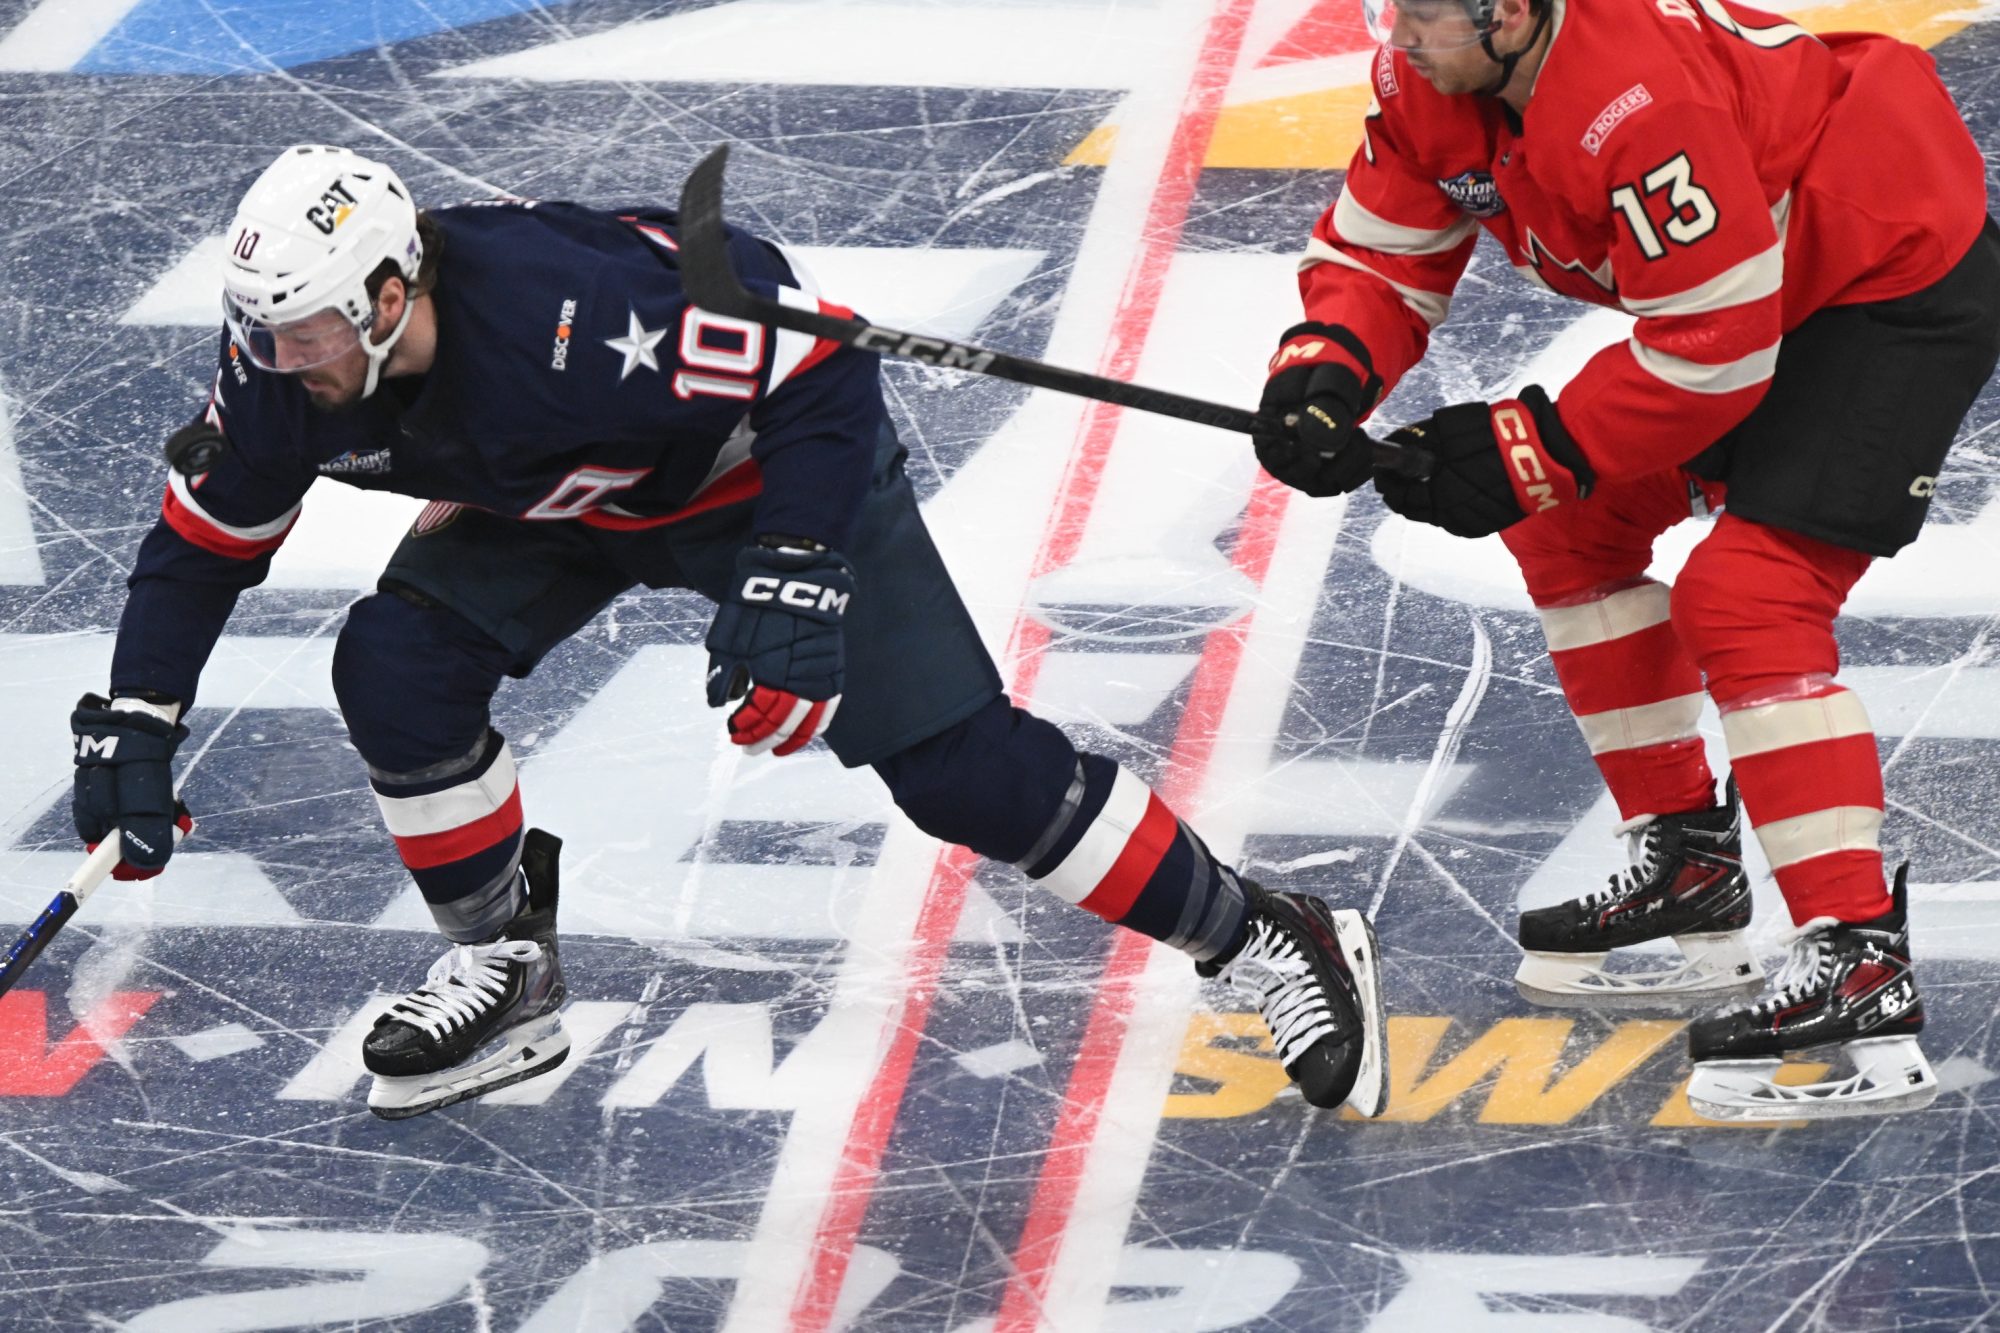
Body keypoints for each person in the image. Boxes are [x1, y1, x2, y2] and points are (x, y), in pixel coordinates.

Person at [71, 144, 1388, 1120]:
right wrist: (140, 715)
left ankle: (1262, 933)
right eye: (259, 327)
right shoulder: (284, 379)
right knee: (395, 664)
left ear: (385, 290)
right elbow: (202, 548)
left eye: (298, 329)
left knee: (956, 773)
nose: (272, 358)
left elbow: (817, 367)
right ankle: (503, 965)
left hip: (761, 478)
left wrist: (797, 575)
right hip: (551, 498)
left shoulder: (567, 321)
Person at [1253, 0, 2000, 1118]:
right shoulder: (1435, 83)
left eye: (1414, 14)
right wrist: (1324, 370)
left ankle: (1856, 959)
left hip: (1883, 272)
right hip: (1764, 283)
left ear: (1506, 14)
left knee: (1747, 593)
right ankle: (1689, 868)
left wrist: (1526, 446)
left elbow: (1715, 348)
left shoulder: (1642, 105)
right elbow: (1378, 250)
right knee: (1565, 525)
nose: (1391, 37)